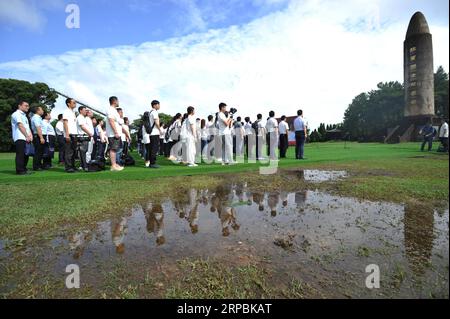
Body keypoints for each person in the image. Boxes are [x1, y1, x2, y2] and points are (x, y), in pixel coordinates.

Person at [11, 101, 33, 175]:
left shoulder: (24, 116)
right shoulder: (16, 114)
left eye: (28, 106)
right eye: (25, 105)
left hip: (26, 137)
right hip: (19, 137)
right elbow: (20, 125)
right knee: (20, 154)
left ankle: (24, 169)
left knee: (26, 154)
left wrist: (30, 135)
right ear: (19, 106)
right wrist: (27, 136)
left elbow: (27, 127)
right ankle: (20, 170)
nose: (27, 107)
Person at [105, 96, 124, 171]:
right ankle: (113, 165)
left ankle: (115, 164)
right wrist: (115, 132)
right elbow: (111, 121)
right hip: (113, 134)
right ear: (115, 101)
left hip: (115, 133)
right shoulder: (110, 110)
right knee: (113, 149)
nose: (118, 102)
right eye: (118, 101)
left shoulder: (114, 110)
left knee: (115, 149)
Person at [63, 98, 78, 173]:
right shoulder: (66, 111)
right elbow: (65, 123)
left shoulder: (73, 112)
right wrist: (67, 134)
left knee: (73, 151)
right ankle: (68, 167)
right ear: (68, 103)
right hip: (69, 134)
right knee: (68, 152)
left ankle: (72, 166)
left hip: (74, 134)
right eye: (73, 102)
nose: (75, 104)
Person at [76, 106, 93, 171]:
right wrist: (89, 133)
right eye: (85, 110)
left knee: (84, 152)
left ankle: (84, 166)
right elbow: (82, 127)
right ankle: (84, 166)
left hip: (85, 136)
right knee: (83, 152)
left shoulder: (82, 117)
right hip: (83, 136)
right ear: (80, 111)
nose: (86, 111)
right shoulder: (80, 117)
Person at [148, 100, 161, 168]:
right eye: (158, 104)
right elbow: (156, 122)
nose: (159, 106)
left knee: (152, 148)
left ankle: (151, 162)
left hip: (151, 133)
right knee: (154, 148)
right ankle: (153, 163)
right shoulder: (154, 112)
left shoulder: (150, 112)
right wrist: (160, 130)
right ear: (154, 105)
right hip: (154, 132)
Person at [31, 106, 45, 171]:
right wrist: (41, 137)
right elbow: (38, 128)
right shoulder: (36, 117)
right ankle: (36, 166)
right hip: (38, 136)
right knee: (38, 152)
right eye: (41, 109)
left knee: (41, 152)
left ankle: (39, 165)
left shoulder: (39, 118)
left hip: (39, 135)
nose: (43, 111)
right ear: (37, 111)